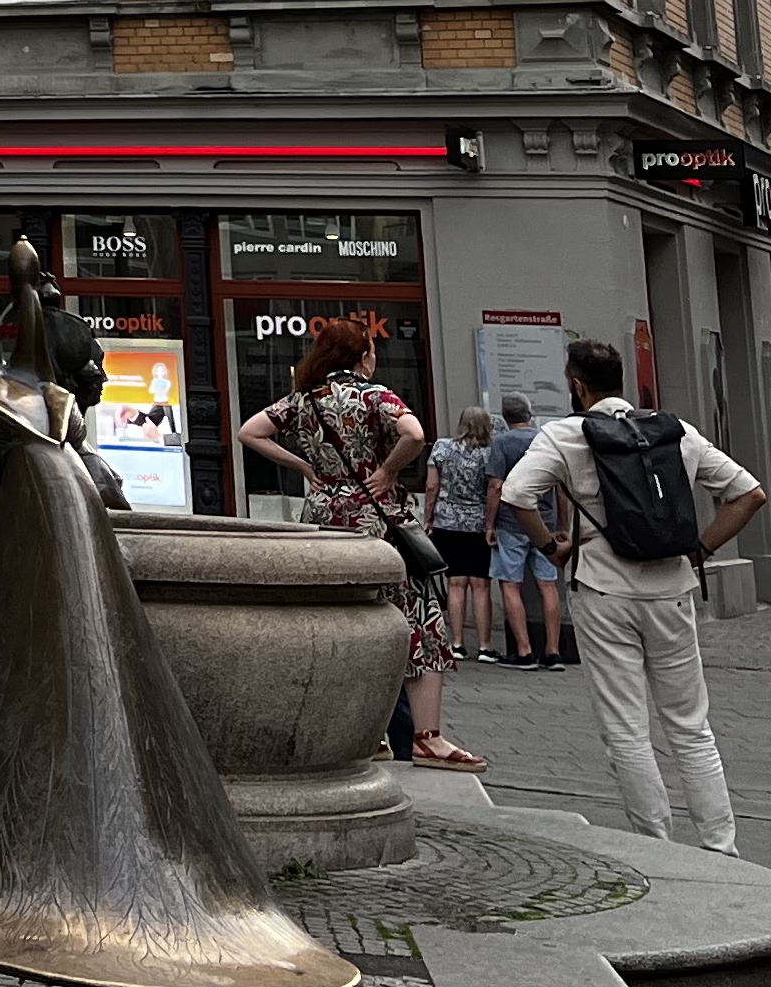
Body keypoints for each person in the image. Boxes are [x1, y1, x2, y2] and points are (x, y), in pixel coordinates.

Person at [498, 337, 769, 852]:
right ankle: (721, 846)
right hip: (671, 589)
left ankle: (656, 844)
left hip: (602, 589)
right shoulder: (675, 432)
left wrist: (550, 547)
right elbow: (749, 494)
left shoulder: (565, 435)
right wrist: (700, 549)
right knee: (690, 726)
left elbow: (516, 494)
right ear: (620, 381)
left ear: (576, 385)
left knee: (625, 727)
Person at [237, 317, 480, 773]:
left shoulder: (303, 400)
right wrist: (389, 470)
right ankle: (428, 738)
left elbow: (249, 432)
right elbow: (416, 434)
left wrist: (307, 470)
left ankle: (373, 733)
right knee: (417, 616)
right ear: (363, 355)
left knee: (346, 618)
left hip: (325, 518)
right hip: (377, 520)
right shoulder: (375, 396)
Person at [484, 390, 572, 666]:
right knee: (548, 584)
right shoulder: (545, 440)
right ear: (529, 413)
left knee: (511, 585)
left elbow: (496, 486)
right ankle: (553, 650)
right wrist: (562, 525)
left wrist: (489, 524)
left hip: (511, 523)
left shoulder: (501, 443)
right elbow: (561, 489)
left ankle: (523, 650)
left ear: (505, 417)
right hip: (543, 523)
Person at [427, 406, 498, 663]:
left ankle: (456, 643)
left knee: (455, 583)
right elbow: (494, 487)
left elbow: (432, 485)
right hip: (478, 523)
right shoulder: (491, 453)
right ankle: (485, 646)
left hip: (447, 521)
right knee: (481, 585)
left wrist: (429, 517)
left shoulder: (442, 448)